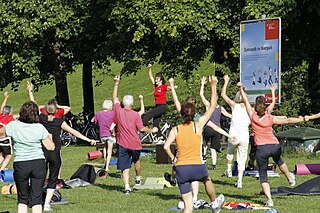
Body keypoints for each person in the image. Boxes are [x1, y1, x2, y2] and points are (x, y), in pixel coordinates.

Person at [237, 81, 306, 206]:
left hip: (261, 149)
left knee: (263, 176)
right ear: (264, 107)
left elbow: (246, 101)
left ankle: (269, 200)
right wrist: (302, 119)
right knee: (279, 160)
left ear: (256, 107)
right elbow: (288, 120)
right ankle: (290, 179)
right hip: (274, 146)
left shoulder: (252, 116)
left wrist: (241, 89)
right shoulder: (270, 117)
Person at [168, 77, 235, 206]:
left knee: (188, 178)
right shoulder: (199, 121)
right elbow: (213, 107)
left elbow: (176, 101)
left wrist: (172, 86)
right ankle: (208, 201)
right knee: (204, 178)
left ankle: (190, 200)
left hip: (183, 162)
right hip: (197, 158)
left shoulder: (179, 125)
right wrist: (214, 86)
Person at [39, 103, 97, 211]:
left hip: (42, 152)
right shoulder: (59, 121)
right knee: (53, 178)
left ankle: (37, 199)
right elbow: (73, 131)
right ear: (56, 111)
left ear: (45, 110)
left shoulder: (41, 118)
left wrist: (30, 93)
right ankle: (47, 204)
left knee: (40, 176)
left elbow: (35, 106)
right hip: (55, 152)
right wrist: (88, 140)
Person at [0, 101, 55, 213]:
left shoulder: (13, 125)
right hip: (38, 163)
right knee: (36, 198)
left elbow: (1, 133)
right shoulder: (39, 127)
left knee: (22, 198)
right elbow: (50, 147)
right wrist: (50, 137)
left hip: (21, 163)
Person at [112, 75, 158, 194]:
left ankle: (127, 186)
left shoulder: (118, 111)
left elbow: (114, 98)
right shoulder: (135, 115)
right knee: (136, 161)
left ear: (123, 103)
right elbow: (142, 129)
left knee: (125, 166)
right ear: (132, 104)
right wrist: (152, 130)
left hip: (122, 143)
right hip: (135, 144)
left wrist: (116, 83)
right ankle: (138, 178)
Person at [221, 75, 251, 188]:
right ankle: (239, 181)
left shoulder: (235, 106)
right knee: (242, 158)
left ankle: (228, 169)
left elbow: (223, 95)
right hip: (244, 136)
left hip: (233, 135)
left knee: (230, 151)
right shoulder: (250, 109)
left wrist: (226, 82)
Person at [200, 76, 232, 170]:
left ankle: (204, 157)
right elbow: (228, 115)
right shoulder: (221, 108)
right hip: (217, 130)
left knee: (205, 143)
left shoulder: (208, 105)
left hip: (208, 128)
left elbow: (201, 95)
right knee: (213, 148)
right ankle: (214, 165)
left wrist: (202, 84)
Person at [142, 64, 169, 142]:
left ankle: (143, 126)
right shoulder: (156, 87)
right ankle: (160, 137)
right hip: (157, 106)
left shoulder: (163, 86)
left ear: (161, 80)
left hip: (162, 106)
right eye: (156, 79)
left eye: (157, 79)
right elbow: (150, 76)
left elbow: (169, 88)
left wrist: (174, 87)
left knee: (148, 115)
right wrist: (150, 68)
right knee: (155, 123)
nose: (156, 80)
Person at [91, 99, 116, 171]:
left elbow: (92, 120)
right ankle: (107, 166)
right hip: (110, 134)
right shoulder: (113, 113)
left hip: (102, 134)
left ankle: (105, 162)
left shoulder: (99, 113)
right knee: (110, 150)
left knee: (104, 148)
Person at [0, 91, 19, 171]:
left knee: (1, 155)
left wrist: (6, 98)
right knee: (8, 155)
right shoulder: (11, 118)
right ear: (10, 112)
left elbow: (2, 107)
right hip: (6, 140)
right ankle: (1, 170)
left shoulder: (0, 115)